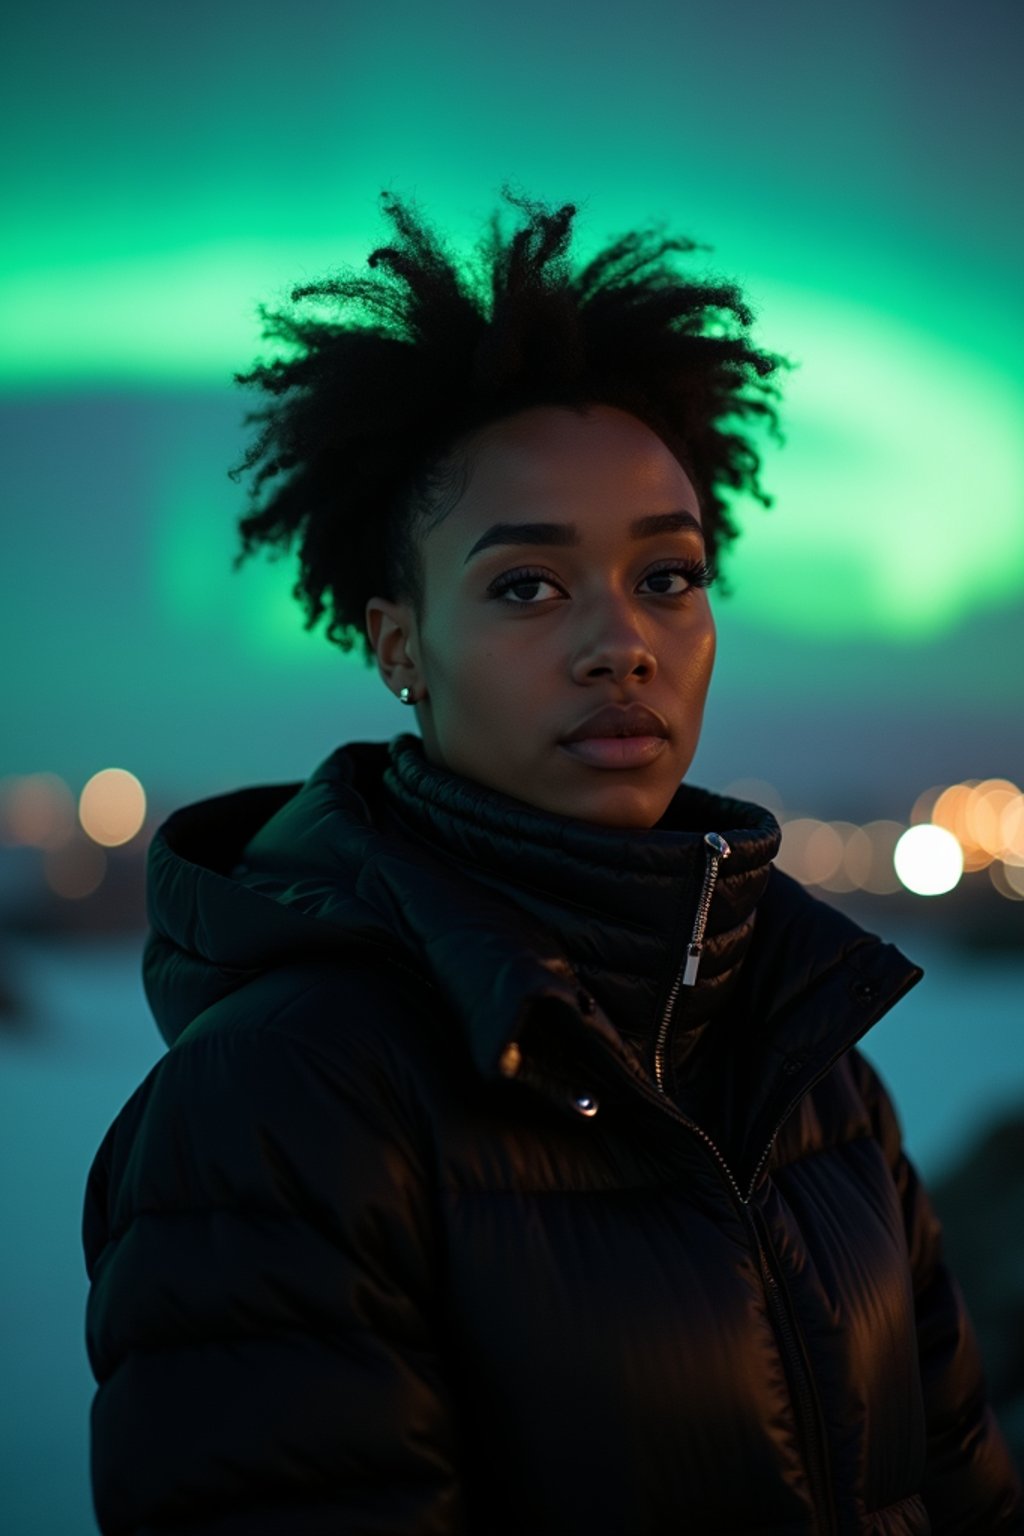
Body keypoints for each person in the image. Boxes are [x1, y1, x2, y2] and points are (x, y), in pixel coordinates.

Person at [82, 186, 1023, 1536]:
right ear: (396, 643)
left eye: (670, 576)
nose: (621, 643)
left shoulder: (816, 1068)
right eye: (528, 585)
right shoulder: (270, 1116)